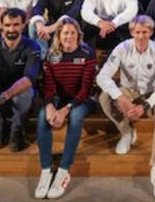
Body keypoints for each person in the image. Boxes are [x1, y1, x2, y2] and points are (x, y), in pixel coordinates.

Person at [97, 15, 155, 200]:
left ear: (151, 32)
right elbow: (102, 77)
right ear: (131, 32)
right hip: (128, 91)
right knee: (104, 97)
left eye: (145, 32)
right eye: (137, 32)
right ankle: (126, 132)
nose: (140, 36)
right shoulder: (121, 48)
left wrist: (145, 105)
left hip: (150, 94)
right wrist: (121, 98)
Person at [35, 17, 96, 199]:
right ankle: (46, 170)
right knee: (41, 117)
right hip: (59, 97)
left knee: (76, 117)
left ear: (79, 35)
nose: (69, 36)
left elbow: (86, 90)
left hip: (83, 99)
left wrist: (65, 109)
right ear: (59, 36)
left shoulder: (87, 53)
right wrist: (49, 106)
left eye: (72, 33)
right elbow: (48, 86)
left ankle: (63, 170)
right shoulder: (51, 55)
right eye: (65, 33)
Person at [0, 8, 41, 152]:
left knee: (26, 93)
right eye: (7, 25)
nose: (11, 29)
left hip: (22, 91)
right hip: (1, 88)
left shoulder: (32, 47)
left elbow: (29, 79)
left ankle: (17, 130)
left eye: (16, 25)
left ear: (23, 25)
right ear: (1, 26)